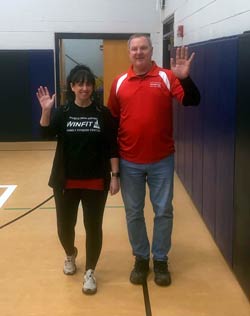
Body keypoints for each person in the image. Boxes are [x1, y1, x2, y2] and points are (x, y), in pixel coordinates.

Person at [107, 34, 200, 286]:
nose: (139, 52)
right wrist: (114, 168)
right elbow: (112, 123)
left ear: (151, 50)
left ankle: (159, 259)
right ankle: (140, 258)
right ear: (130, 53)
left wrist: (185, 78)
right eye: (134, 49)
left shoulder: (166, 77)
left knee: (163, 211)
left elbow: (192, 101)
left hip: (162, 160)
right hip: (129, 161)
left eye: (143, 48)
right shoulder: (119, 83)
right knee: (133, 212)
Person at [36, 64, 120, 295]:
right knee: (65, 227)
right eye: (79, 83)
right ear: (72, 86)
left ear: (93, 87)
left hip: (96, 182)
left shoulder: (102, 114)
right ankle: (70, 254)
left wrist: (115, 176)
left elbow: (113, 147)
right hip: (65, 182)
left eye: (88, 83)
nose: (84, 88)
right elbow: (45, 135)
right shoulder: (63, 113)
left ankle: (90, 271)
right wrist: (46, 110)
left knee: (93, 228)